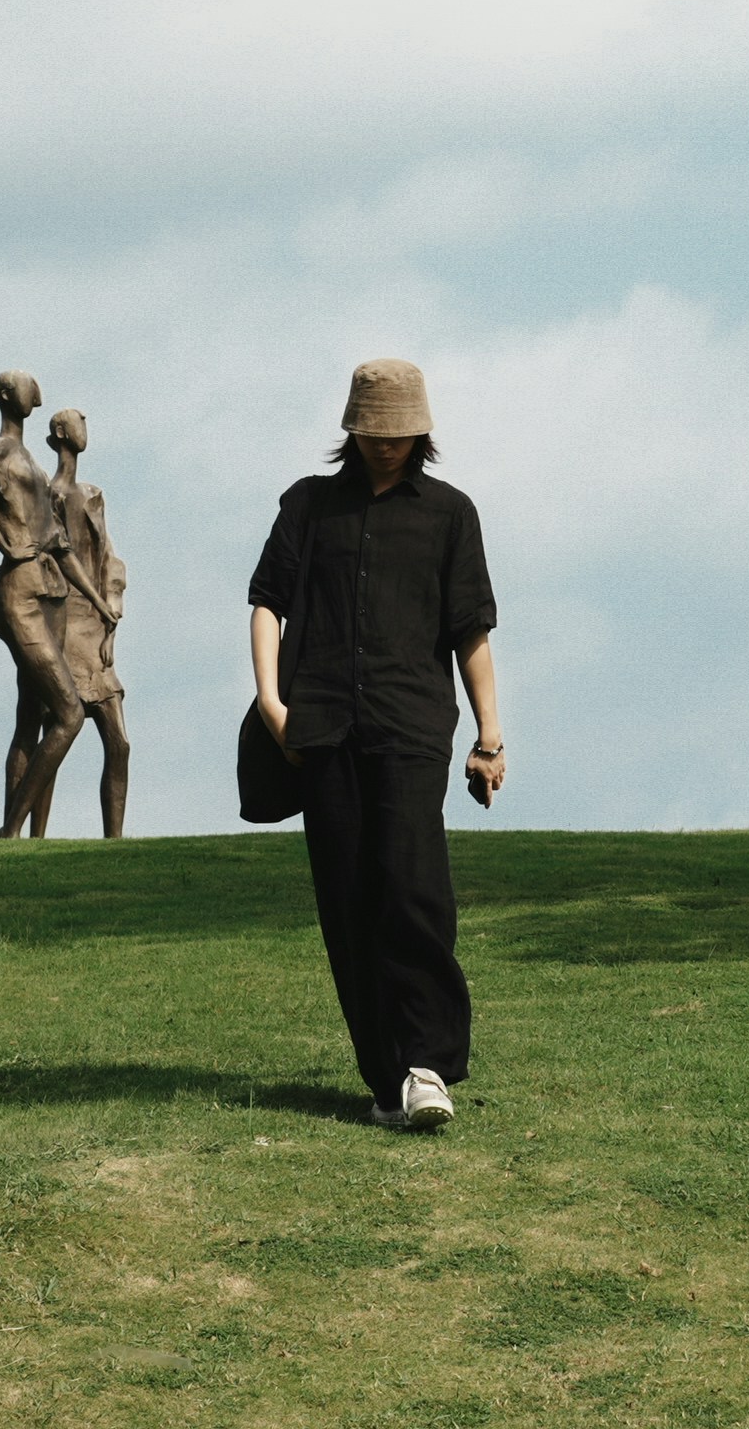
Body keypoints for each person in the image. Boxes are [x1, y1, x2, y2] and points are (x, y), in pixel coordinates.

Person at [249, 356, 502, 1130]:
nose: (384, 446)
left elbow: (471, 632)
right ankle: (387, 1082)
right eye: (371, 434)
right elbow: (267, 603)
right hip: (320, 729)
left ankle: (429, 1064)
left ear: (419, 434)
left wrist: (490, 734)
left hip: (413, 727)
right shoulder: (308, 507)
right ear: (352, 431)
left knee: (413, 891)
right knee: (348, 903)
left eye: (397, 435)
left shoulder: (450, 514)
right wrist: (271, 703)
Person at [0, 370, 85, 837]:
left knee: (35, 716)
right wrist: (6, 545)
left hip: (47, 590)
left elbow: (59, 541)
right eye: (27, 384)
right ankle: (10, 832)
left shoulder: (29, 458)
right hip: (19, 594)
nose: (38, 389)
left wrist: (96, 600)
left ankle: (32, 839)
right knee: (70, 714)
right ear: (8, 396)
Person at [48, 406, 130, 839]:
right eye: (78, 420)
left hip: (95, 625)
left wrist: (111, 611)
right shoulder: (46, 495)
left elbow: (111, 560)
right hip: (60, 621)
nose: (86, 426)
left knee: (119, 741)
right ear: (62, 432)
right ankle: (27, 837)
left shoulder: (93, 495)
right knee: (53, 731)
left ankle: (113, 840)